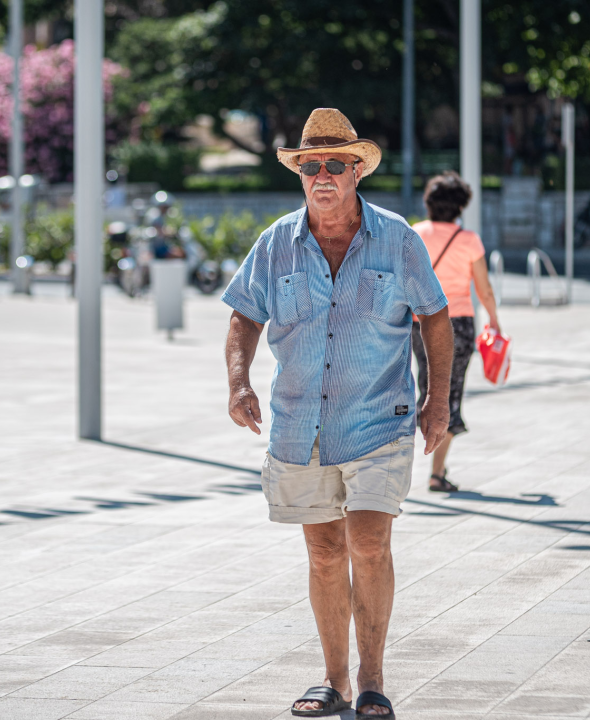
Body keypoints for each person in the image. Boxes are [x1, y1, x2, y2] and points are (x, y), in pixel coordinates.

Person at [222, 107, 453, 719]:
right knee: (324, 552)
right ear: (300, 174)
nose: (320, 175)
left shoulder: (398, 238)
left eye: (333, 164)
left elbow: (434, 316)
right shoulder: (276, 242)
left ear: (356, 171)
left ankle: (373, 679)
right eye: (309, 165)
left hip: (379, 420)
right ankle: (335, 681)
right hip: (301, 425)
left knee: (369, 543)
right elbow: (245, 314)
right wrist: (238, 382)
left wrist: (438, 403)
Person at [410, 172, 501, 492]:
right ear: (461, 206)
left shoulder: (415, 234)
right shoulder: (469, 240)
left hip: (417, 321)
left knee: (424, 385)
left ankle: (402, 465)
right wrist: (494, 320)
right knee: (448, 391)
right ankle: (436, 472)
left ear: (429, 203)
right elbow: (484, 287)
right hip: (458, 322)